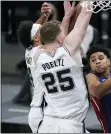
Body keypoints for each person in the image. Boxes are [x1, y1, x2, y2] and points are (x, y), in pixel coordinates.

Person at [25, 1, 92, 133]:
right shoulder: (70, 51)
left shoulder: (34, 55)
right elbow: (83, 20)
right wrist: (88, 4)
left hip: (47, 122)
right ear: (60, 39)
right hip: (70, 123)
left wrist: (67, 17)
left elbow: (42, 34)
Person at [17, 2, 75, 133]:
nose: (42, 29)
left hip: (41, 112)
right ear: (37, 38)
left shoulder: (31, 49)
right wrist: (72, 15)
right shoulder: (43, 53)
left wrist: (44, 15)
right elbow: (60, 33)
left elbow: (35, 29)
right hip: (46, 115)